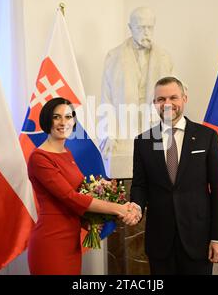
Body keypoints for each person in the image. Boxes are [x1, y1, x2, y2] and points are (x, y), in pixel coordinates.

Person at [27, 97, 141, 275]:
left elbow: (79, 193)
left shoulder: (67, 152)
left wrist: (95, 220)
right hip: (51, 242)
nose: (63, 122)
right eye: (57, 117)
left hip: (71, 242)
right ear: (47, 120)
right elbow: (71, 197)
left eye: (68, 117)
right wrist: (119, 209)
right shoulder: (39, 158)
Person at [130, 77, 218, 275]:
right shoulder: (143, 141)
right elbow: (140, 185)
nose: (167, 104)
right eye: (161, 99)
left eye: (173, 97)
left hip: (198, 240)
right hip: (160, 242)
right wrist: (136, 206)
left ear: (184, 99)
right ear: (154, 103)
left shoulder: (206, 136)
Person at [99, 7, 173, 162]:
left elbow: (173, 96)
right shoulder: (114, 57)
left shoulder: (165, 58)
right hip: (124, 131)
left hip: (154, 128)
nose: (146, 32)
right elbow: (107, 101)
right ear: (130, 28)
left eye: (149, 27)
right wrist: (109, 134)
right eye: (140, 27)